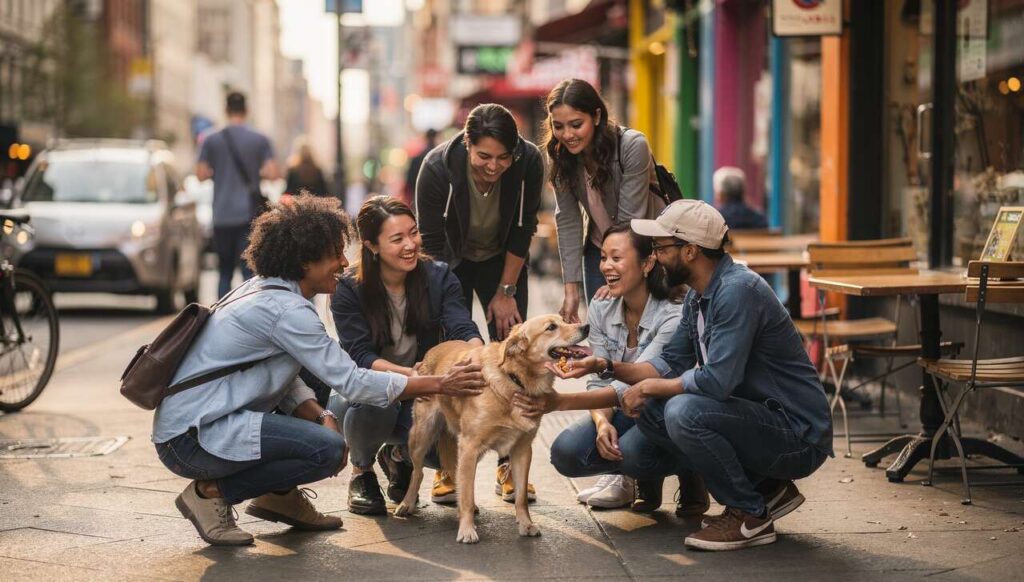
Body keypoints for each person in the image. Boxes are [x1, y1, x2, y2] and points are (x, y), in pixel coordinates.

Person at [151, 194, 486, 547]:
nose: (343, 262)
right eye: (334, 255)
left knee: (316, 389)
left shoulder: (268, 291)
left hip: (195, 422)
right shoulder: (287, 310)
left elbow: (282, 373)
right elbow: (353, 381)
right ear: (305, 261)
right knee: (324, 450)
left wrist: (319, 412)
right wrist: (439, 383)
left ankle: (279, 495)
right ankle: (209, 493)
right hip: (191, 437)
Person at [522, 199, 833, 552]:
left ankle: (750, 515)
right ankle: (764, 490)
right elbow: (666, 364)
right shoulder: (699, 297)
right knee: (657, 405)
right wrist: (605, 367)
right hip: (757, 419)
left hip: (796, 434)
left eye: (661, 247)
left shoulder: (737, 292)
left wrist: (654, 386)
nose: (655, 255)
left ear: (689, 251)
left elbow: (718, 380)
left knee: (682, 410)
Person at [415, 103, 544, 501]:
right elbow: (432, 249)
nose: (494, 166)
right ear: (467, 144)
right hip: (450, 262)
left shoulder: (530, 161)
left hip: (503, 261)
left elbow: (524, 230)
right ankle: (448, 467)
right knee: (454, 357)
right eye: (484, 156)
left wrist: (506, 291)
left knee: (516, 357)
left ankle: (510, 466)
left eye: (503, 157)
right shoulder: (436, 168)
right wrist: (451, 312)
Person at [330, 195, 484, 515]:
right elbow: (358, 355)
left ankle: (397, 455)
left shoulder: (438, 276)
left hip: (423, 392)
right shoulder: (348, 288)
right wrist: (413, 376)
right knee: (379, 398)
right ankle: (362, 472)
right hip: (365, 396)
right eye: (397, 239)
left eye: (413, 233)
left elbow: (460, 325)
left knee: (455, 443)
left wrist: (479, 356)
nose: (410, 245)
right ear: (371, 245)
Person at [548, 224, 708, 516]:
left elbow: (640, 381)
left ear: (647, 263)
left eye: (616, 258)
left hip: (667, 411)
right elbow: (599, 383)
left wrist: (559, 402)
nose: (606, 266)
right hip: (624, 408)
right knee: (566, 452)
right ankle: (646, 474)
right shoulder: (601, 306)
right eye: (603, 257)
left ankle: (691, 470)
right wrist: (601, 424)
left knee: (633, 454)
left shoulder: (673, 311)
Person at [541, 78, 664, 322]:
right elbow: (567, 219)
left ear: (596, 116)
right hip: (598, 251)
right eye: (558, 126)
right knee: (604, 332)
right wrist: (571, 289)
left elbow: (631, 219)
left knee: (643, 329)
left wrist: (620, 274)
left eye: (576, 125)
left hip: (644, 252)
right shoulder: (560, 154)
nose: (567, 135)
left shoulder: (631, 145)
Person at [197, 92, 280, 298]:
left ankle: (221, 315)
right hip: (248, 215)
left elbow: (200, 174)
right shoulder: (260, 140)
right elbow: (272, 173)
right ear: (246, 110)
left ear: (226, 110)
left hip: (221, 214)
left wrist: (219, 172)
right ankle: (247, 314)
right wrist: (255, 174)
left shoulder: (210, 139)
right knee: (248, 271)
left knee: (224, 271)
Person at [402, 128, 439, 207]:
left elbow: (409, 181)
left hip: (418, 196)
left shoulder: (417, 158)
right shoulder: (440, 158)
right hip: (437, 196)